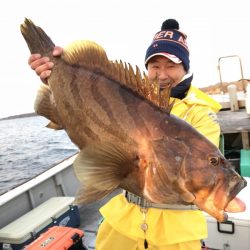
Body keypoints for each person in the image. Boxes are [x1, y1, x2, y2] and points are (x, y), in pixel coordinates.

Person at [28, 18, 221, 250]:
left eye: (171, 66)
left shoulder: (201, 112)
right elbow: (90, 129)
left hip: (176, 232)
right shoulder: (129, 97)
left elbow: (200, 172)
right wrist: (56, 79)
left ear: (185, 68)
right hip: (122, 221)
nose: (162, 74)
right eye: (154, 66)